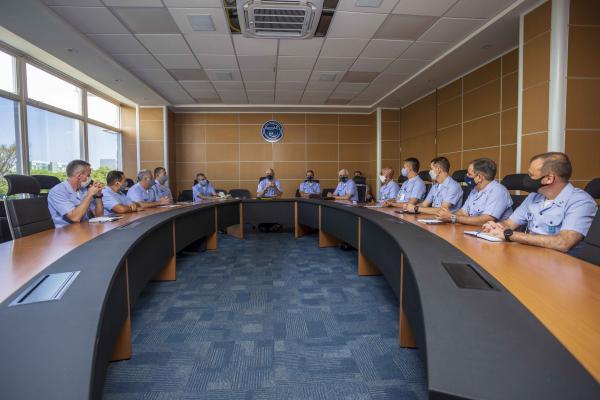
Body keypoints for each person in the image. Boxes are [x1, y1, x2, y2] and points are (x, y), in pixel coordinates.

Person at [482, 152, 597, 253]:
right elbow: (510, 223)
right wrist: (495, 227)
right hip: (528, 256)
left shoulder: (581, 201)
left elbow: (563, 243)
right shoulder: (533, 197)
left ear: (549, 179)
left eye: (531, 175)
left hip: (561, 266)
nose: (527, 179)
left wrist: (509, 234)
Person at [436, 158, 513, 226]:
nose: (466, 176)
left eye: (469, 174)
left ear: (479, 177)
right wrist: (446, 216)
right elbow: (463, 212)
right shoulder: (475, 190)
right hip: (473, 231)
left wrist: (453, 218)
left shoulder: (498, 191)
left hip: (494, 237)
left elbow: (486, 220)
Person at [47, 159, 104, 227]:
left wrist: (98, 196)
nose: (90, 179)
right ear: (79, 176)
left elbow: (99, 215)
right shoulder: (57, 191)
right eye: (88, 175)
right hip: (66, 232)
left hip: (84, 227)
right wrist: (89, 195)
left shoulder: (84, 190)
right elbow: (75, 218)